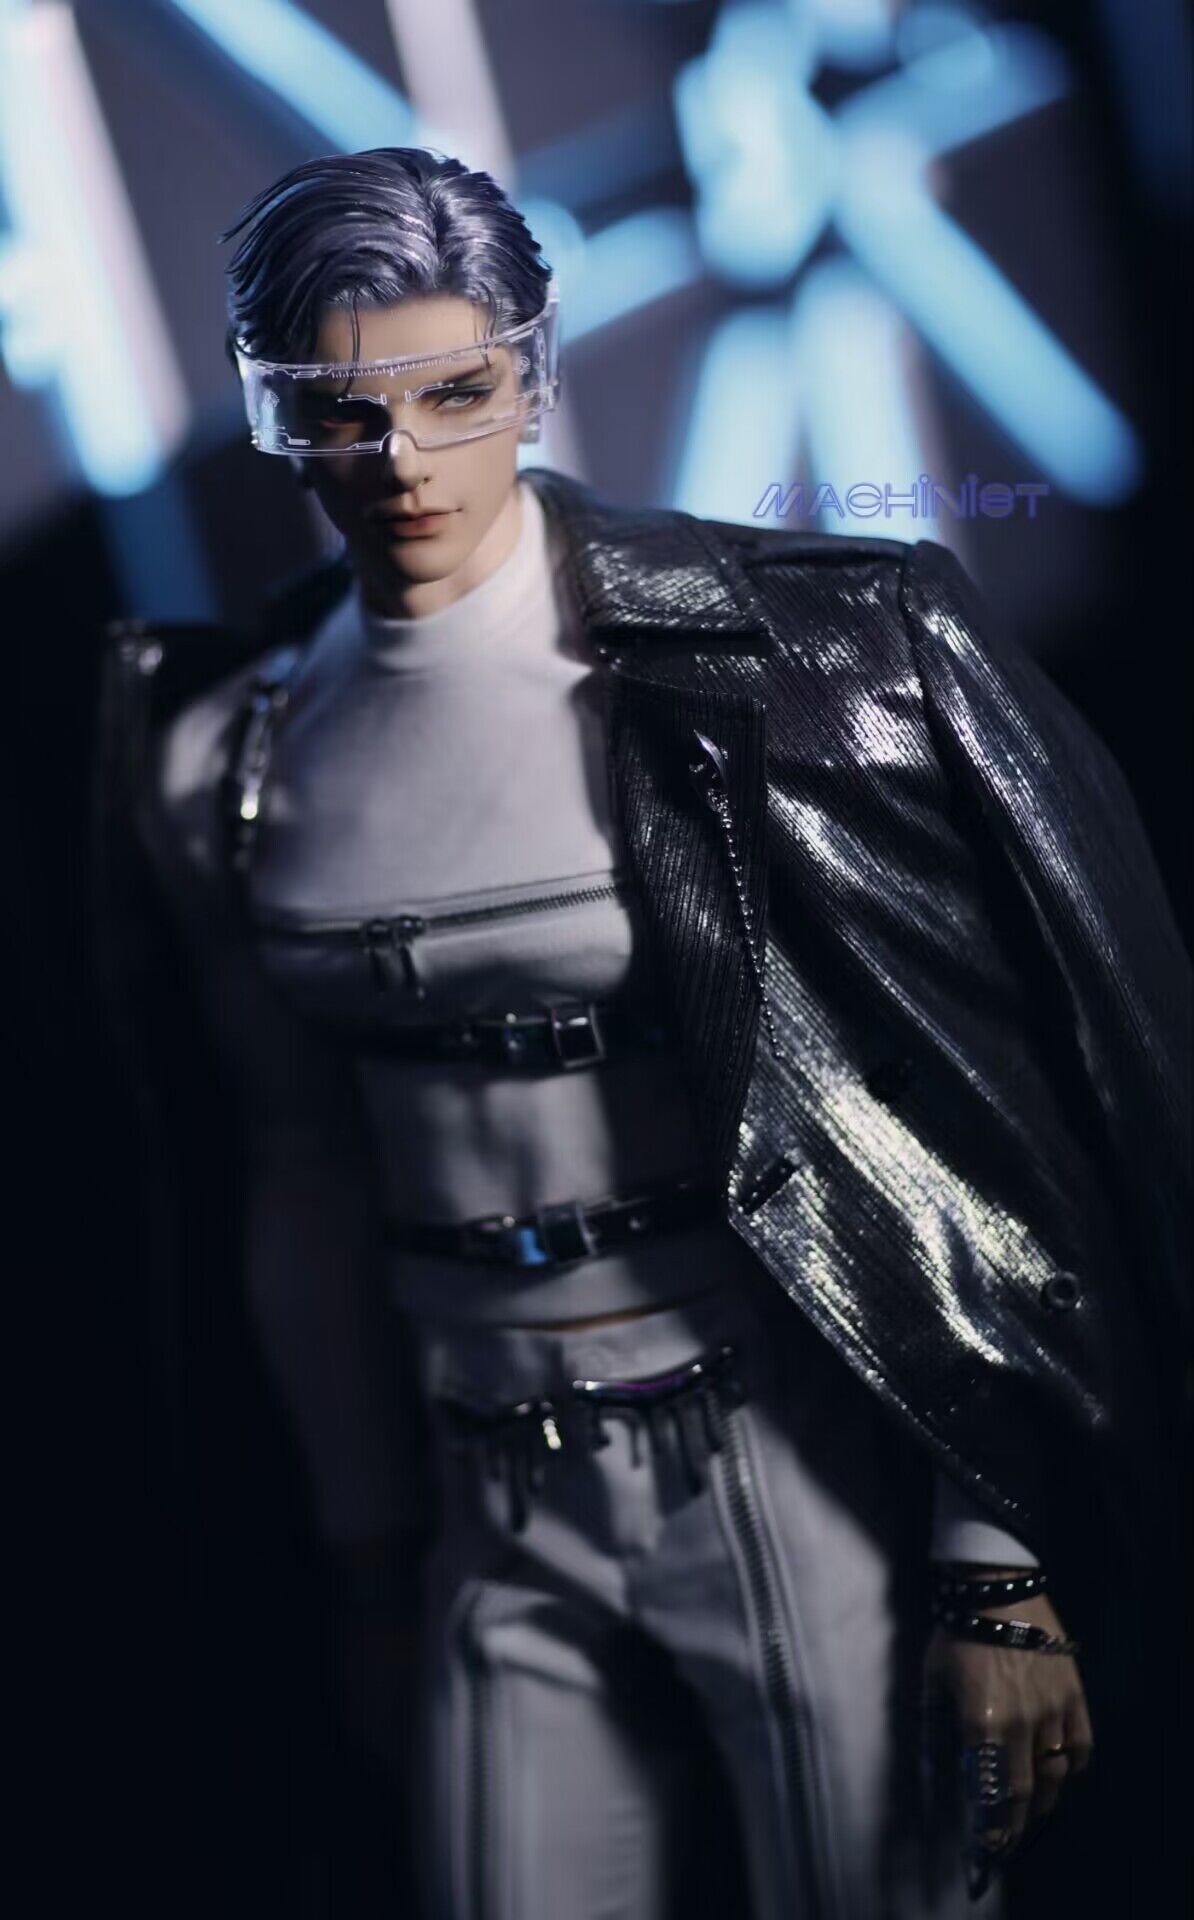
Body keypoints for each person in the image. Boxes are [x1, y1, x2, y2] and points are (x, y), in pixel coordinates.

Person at [89, 148, 1190, 1919]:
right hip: (479, 1474)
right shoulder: (226, 753)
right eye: (339, 411)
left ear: (528, 374)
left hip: (768, 1433)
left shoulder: (777, 664)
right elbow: (291, 1168)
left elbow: (972, 1117)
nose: (401, 458)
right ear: (274, 414)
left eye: (453, 393)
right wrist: (363, 1555)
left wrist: (991, 1557)